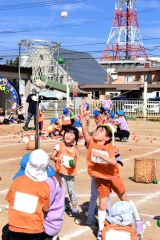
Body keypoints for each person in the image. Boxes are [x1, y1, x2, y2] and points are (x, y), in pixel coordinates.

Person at [81, 102, 129, 240]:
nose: (96, 131)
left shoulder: (109, 147)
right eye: (97, 129)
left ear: (107, 138)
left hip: (112, 176)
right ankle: (101, 229)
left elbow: (114, 161)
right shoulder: (91, 142)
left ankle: (136, 220)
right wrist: (84, 117)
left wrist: (103, 155)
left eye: (100, 131)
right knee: (99, 201)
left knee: (123, 197)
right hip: (99, 177)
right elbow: (85, 131)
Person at [6, 149, 65, 240]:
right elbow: (45, 208)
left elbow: (10, 200)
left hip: (42, 227)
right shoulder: (46, 184)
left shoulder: (18, 182)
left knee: (6, 231)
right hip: (44, 227)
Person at [51, 126, 79, 216]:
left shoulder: (75, 149)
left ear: (75, 138)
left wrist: (72, 164)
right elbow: (51, 156)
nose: (68, 135)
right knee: (61, 190)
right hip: (60, 173)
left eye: (71, 134)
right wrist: (57, 158)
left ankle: (74, 207)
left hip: (70, 174)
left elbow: (74, 162)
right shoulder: (59, 146)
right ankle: (60, 206)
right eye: (67, 133)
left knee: (71, 190)